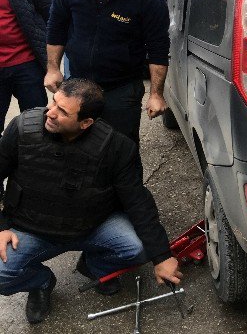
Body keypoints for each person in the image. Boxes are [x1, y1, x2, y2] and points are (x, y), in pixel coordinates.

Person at [0, 78, 181, 324]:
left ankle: (95, 265)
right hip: (31, 227)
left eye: (63, 111)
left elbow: (138, 201)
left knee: (137, 249)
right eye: (54, 103)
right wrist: (1, 227)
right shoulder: (22, 128)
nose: (50, 113)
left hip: (91, 226)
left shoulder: (117, 148)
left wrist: (162, 256)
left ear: (86, 123)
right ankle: (41, 282)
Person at [45, 0, 169, 145]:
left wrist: (156, 93)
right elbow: (56, 28)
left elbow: (158, 49)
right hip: (78, 85)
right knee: (74, 146)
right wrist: (53, 68)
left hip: (122, 89)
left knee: (121, 149)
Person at [0, 0, 51, 134]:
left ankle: (36, 163)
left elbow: (50, 14)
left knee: (35, 124)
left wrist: (52, 64)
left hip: (27, 64)